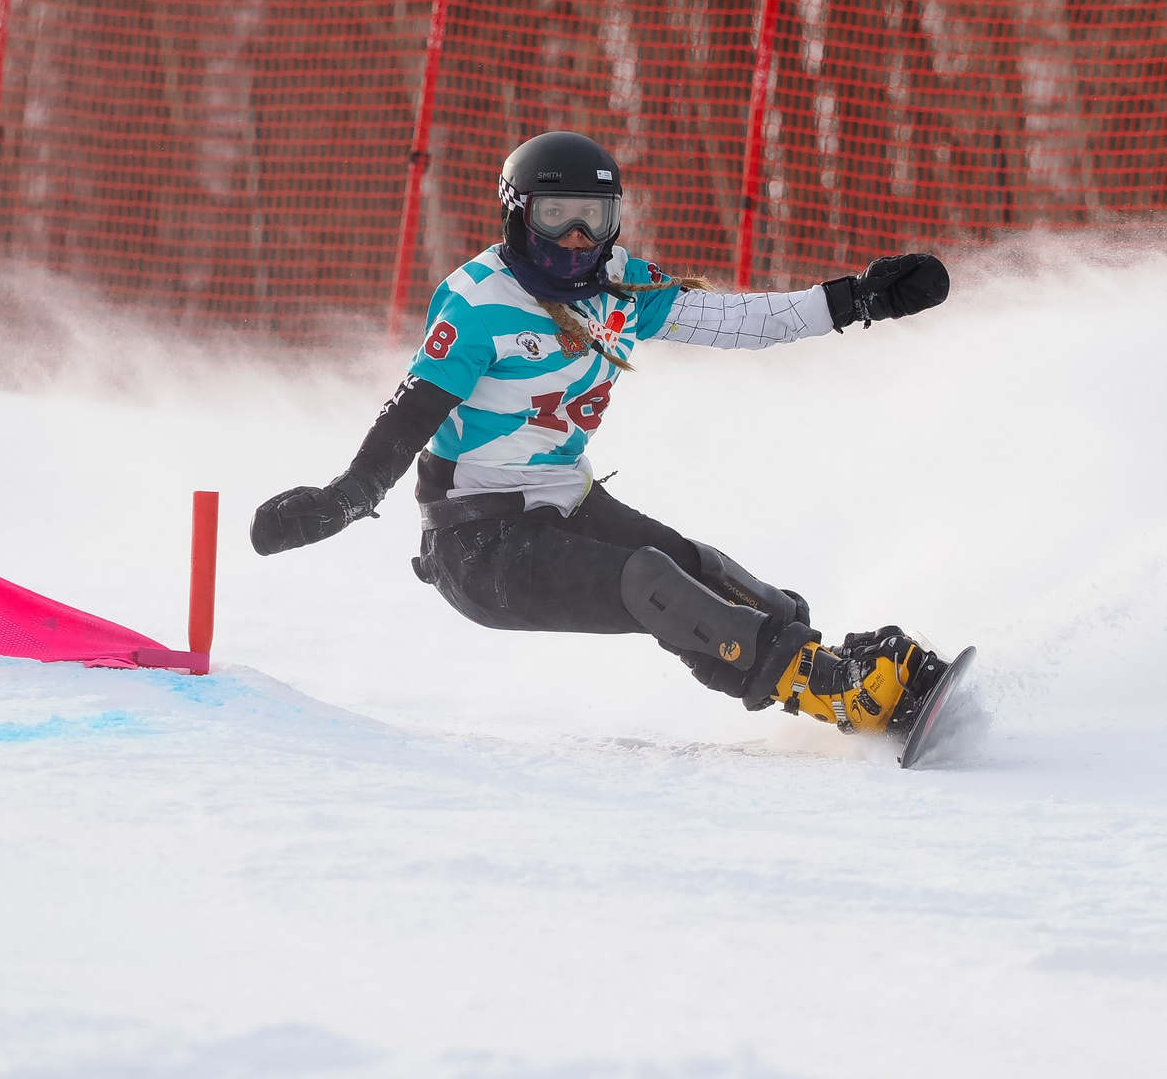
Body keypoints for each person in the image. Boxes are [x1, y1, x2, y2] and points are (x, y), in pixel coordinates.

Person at [250, 130, 954, 735]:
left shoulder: (619, 287)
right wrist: (345, 496)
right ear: (518, 214)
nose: (577, 238)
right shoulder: (478, 302)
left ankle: (828, 669)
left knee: (704, 570)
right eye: (556, 216)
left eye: (595, 217)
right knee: (653, 582)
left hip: (566, 499)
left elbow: (738, 320)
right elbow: (411, 414)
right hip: (478, 542)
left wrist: (857, 298)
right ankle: (837, 691)